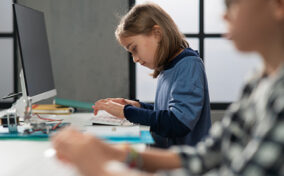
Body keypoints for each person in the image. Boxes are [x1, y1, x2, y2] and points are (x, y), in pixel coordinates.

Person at [52, 0, 284, 175]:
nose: (223, 14)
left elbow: (178, 122)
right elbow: (206, 156)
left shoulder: (279, 94)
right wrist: (116, 153)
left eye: (232, 3)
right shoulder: (256, 82)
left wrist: (99, 169)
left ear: (278, 5)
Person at [92, 3, 211, 148]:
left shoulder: (188, 65)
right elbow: (164, 112)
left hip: (183, 165)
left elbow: (177, 123)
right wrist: (137, 106)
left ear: (157, 34)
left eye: (134, 49)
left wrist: (127, 112)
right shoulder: (168, 68)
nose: (134, 59)